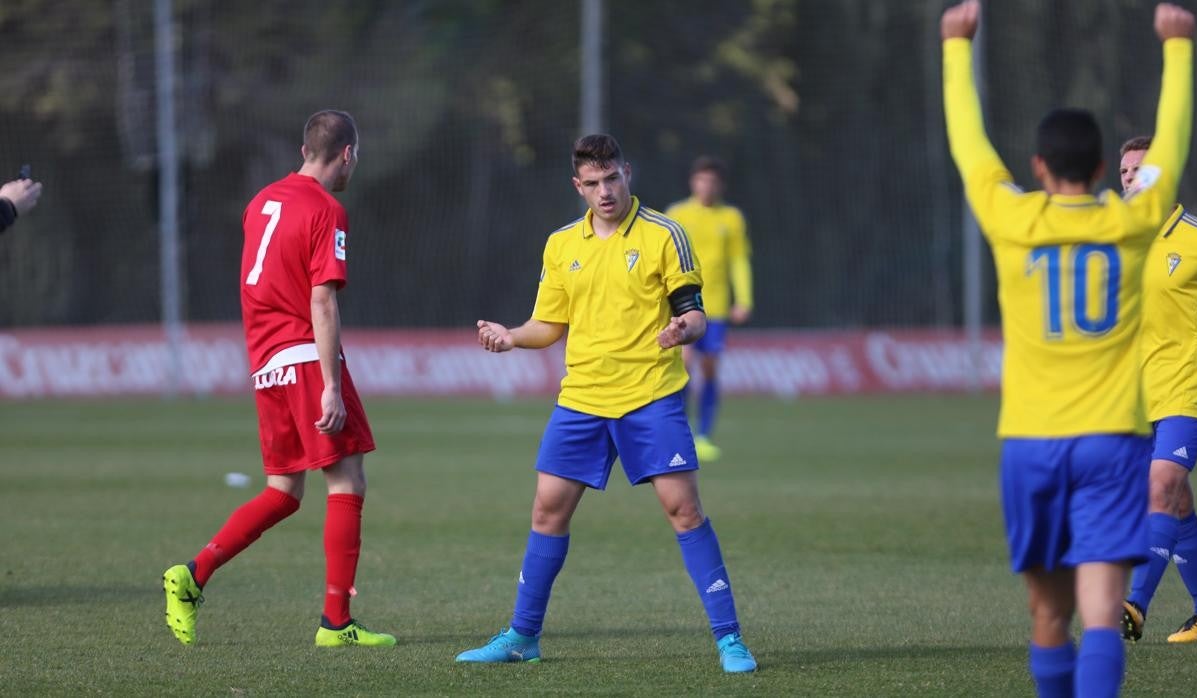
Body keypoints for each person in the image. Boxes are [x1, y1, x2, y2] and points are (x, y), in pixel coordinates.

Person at [942, 1, 1193, 695]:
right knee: (1104, 618)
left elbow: (969, 147)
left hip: (1031, 441)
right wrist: (1178, 48)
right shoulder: (1134, 219)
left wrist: (955, 49)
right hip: (1113, 442)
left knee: (1048, 616)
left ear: (1039, 166)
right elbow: (1171, 146)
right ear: (1102, 166)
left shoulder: (1011, 216)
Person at [460, 134, 756, 673]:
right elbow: (548, 324)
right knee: (547, 509)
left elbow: (694, 312)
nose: (605, 192)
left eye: (612, 179)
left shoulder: (667, 233)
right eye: (592, 183)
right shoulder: (561, 244)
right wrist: (510, 336)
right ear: (578, 186)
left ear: (627, 173)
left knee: (683, 510)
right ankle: (523, 636)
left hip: (651, 396)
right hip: (582, 398)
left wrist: (682, 329)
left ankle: (730, 639)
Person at [161, 110, 394, 648]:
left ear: (302, 149)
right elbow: (321, 298)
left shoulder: (261, 202)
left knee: (285, 491)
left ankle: (192, 575)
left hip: (266, 362)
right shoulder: (328, 210)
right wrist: (333, 384)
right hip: (308, 356)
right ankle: (336, 624)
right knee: (347, 482)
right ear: (348, 154)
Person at [1119, 136, 1197, 644]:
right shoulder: (1119, 240)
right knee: (1178, 502)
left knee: (1161, 487)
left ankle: (1134, 604)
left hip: (1187, 388)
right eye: (1124, 171)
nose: (1128, 178)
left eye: (1139, 170)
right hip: (1136, 395)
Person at [666, 157, 753, 461]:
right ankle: (682, 432)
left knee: (709, 369)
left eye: (713, 182)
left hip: (715, 309)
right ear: (693, 182)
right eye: (702, 180)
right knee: (685, 366)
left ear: (721, 186)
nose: (707, 186)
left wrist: (743, 300)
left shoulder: (731, 218)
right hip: (681, 307)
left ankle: (704, 435)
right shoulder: (677, 214)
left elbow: (738, 261)